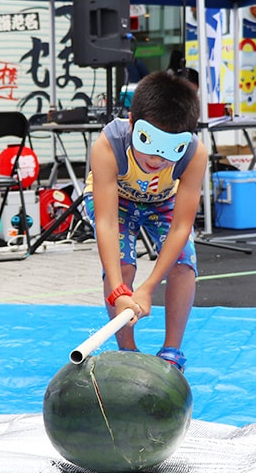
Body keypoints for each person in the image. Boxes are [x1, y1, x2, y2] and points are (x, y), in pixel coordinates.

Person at [83, 71, 207, 372]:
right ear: (131, 122)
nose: (156, 159)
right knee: (123, 265)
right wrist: (118, 291)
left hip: (163, 203)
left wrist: (149, 287)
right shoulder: (108, 145)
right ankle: (129, 352)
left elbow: (181, 226)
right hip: (117, 204)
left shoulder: (194, 153)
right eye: (148, 143)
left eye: (168, 151)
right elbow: (107, 222)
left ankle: (172, 352)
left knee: (184, 262)